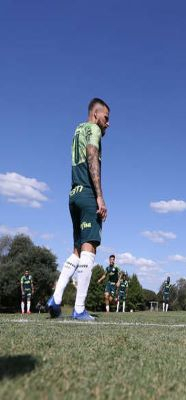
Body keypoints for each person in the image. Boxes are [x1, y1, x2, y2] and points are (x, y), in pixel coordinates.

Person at [47, 98, 110, 321]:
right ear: (95, 114)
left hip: (73, 194)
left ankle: (55, 299)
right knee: (89, 248)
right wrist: (100, 196)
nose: (107, 124)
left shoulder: (77, 130)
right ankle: (80, 308)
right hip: (86, 195)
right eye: (106, 118)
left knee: (76, 250)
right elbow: (92, 155)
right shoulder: (93, 129)